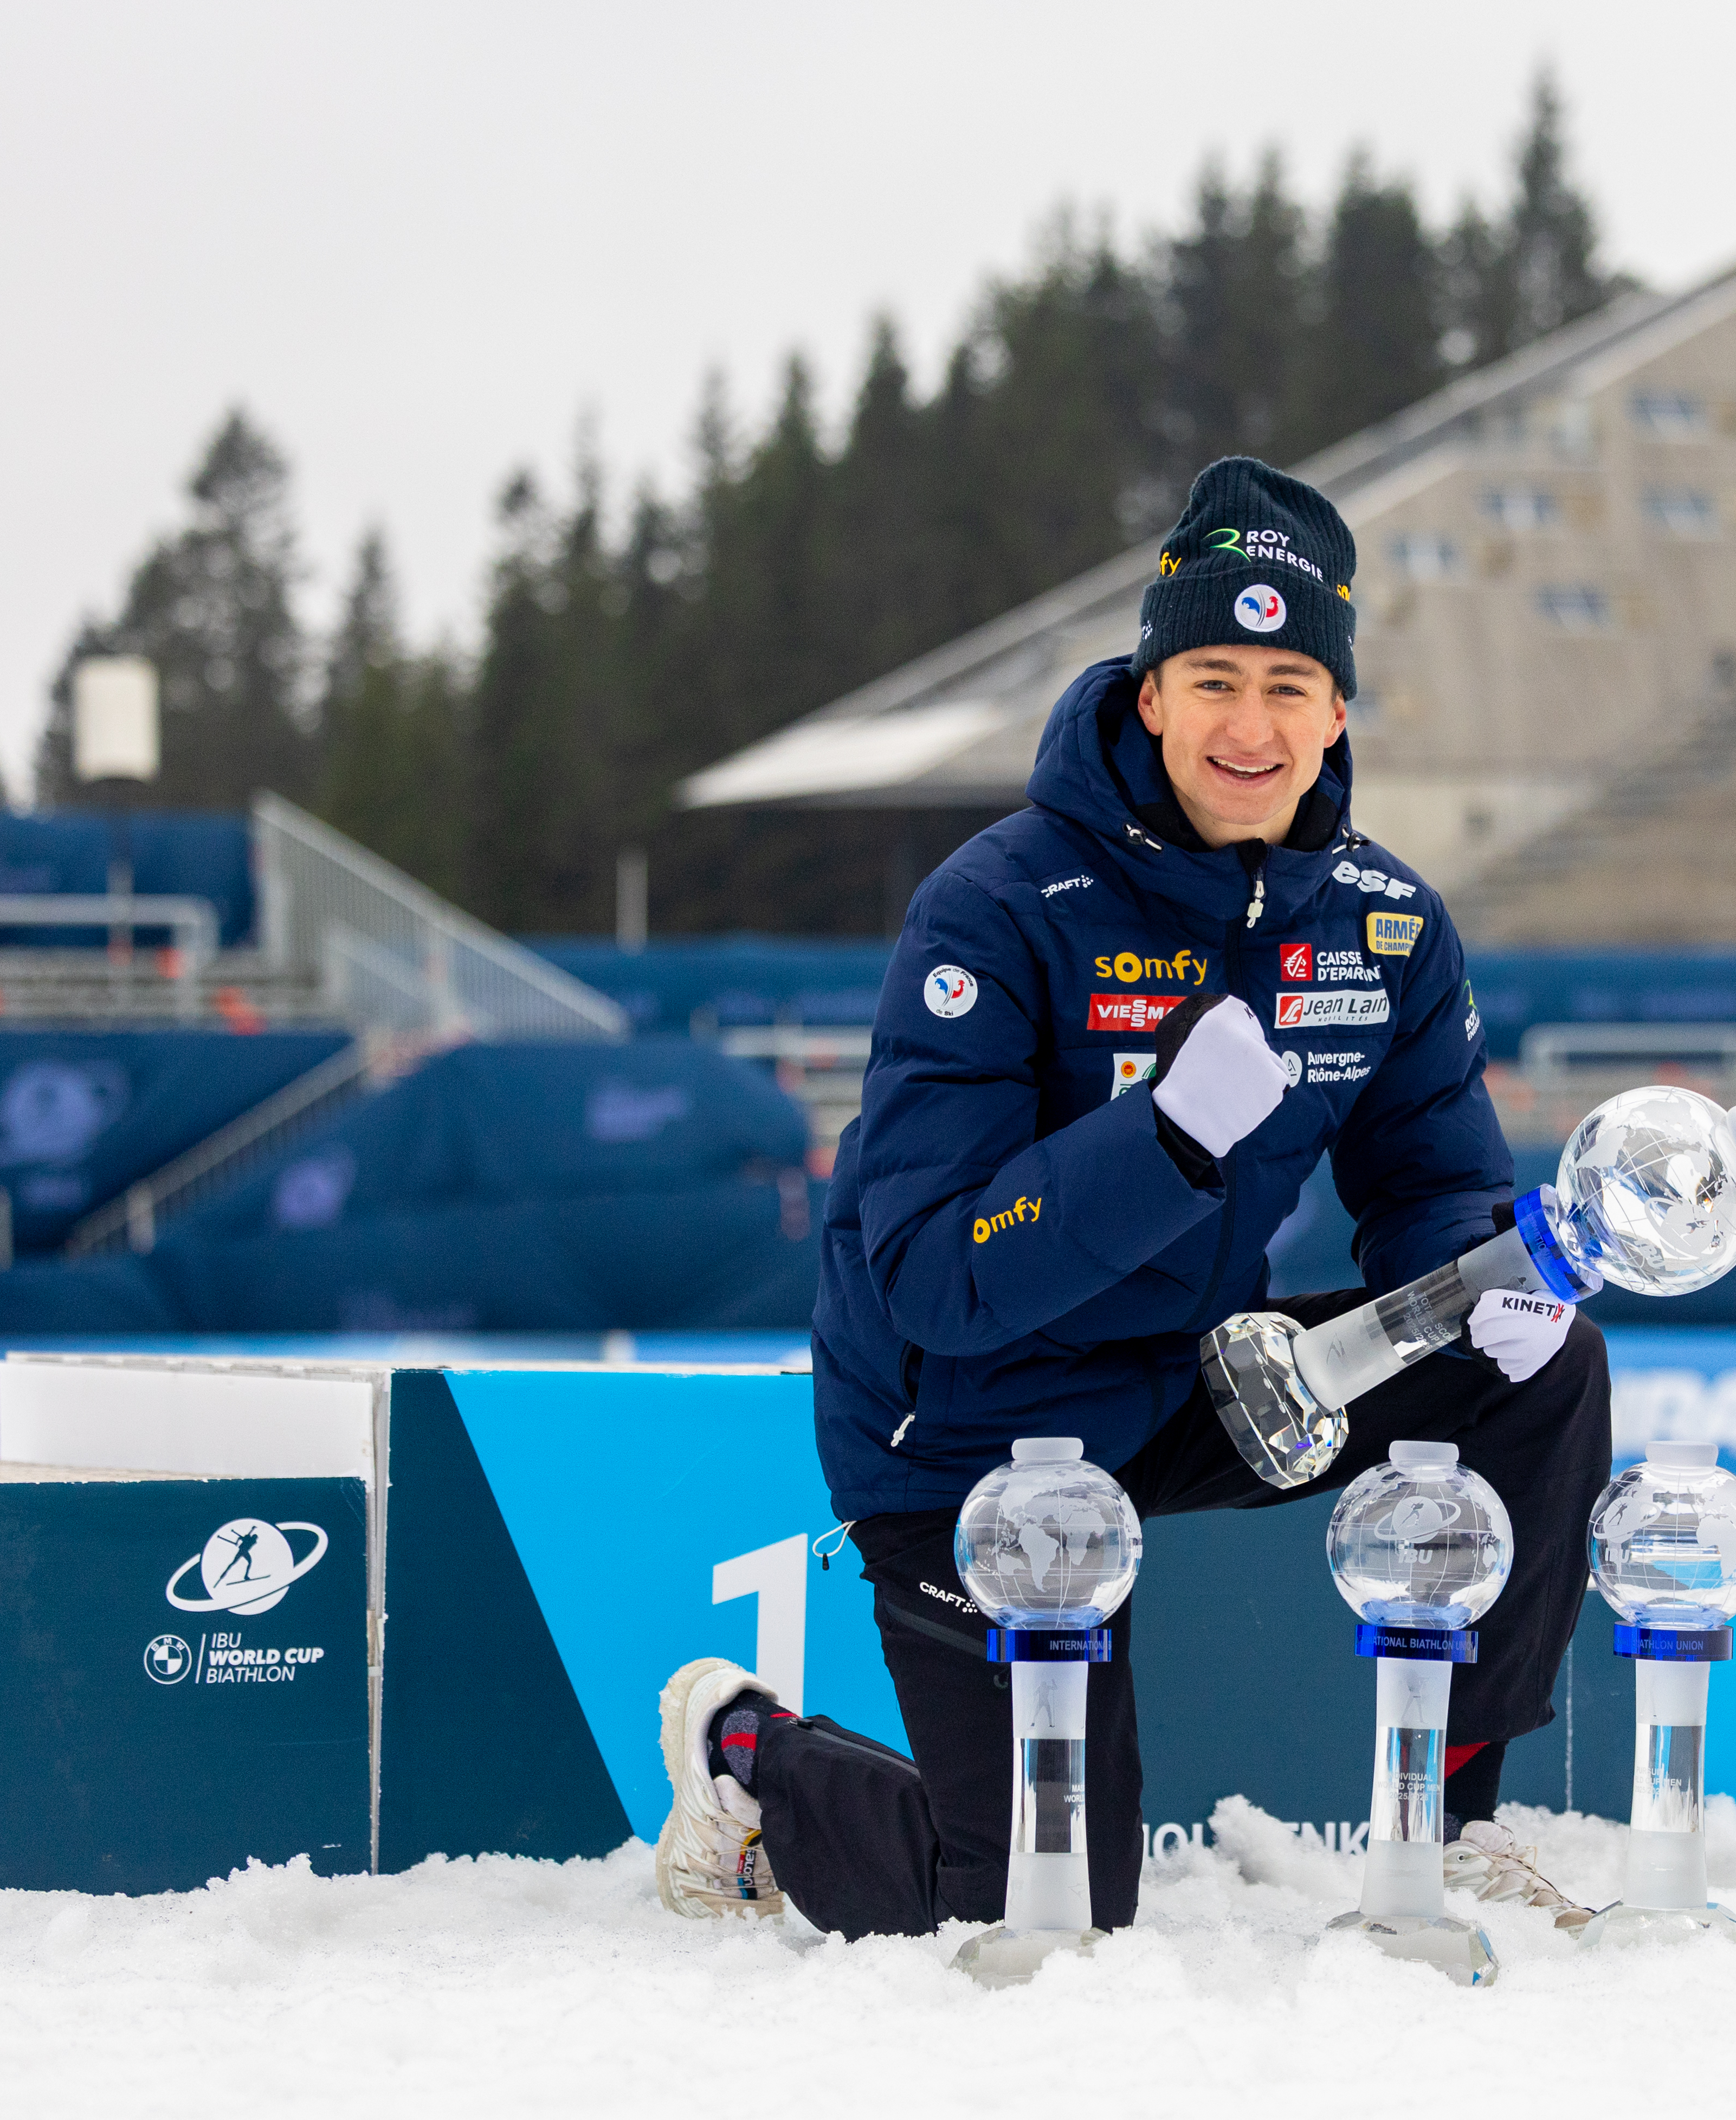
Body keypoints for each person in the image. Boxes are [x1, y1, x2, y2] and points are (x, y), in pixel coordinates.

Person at [651, 459, 1610, 1942]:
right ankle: (747, 1754)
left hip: (1192, 1376)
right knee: (1038, 1904)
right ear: (1148, 692)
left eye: (1291, 683)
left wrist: (1476, 1274)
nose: (1251, 725)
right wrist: (1161, 1138)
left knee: (1521, 1357)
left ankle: (1461, 1815)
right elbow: (928, 1273)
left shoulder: (1384, 921)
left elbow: (1430, 1180)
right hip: (966, 1424)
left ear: (1339, 711)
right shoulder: (998, 905)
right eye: (1212, 677)